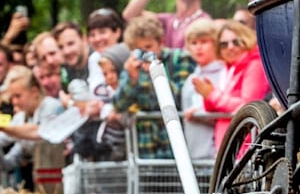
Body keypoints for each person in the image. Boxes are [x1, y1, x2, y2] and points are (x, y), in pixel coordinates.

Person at [113, 13, 195, 158]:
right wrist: (132, 79)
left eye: (148, 47)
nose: (145, 54)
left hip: (177, 148)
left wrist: (155, 74)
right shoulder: (132, 66)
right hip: (144, 151)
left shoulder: (180, 59)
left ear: (161, 41)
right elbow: (118, 105)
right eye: (139, 49)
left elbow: (178, 98)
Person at [193, 20, 269, 149]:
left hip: (245, 145)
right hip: (231, 144)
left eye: (235, 41)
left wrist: (212, 94)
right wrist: (208, 96)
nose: (230, 47)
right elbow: (219, 107)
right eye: (224, 44)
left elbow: (247, 106)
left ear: (246, 39)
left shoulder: (254, 64)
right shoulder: (230, 69)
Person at [179, 19, 226, 162]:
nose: (198, 47)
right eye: (194, 43)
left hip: (217, 154)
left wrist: (199, 115)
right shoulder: (190, 79)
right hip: (194, 156)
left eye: (204, 42)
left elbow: (227, 111)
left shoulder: (224, 73)